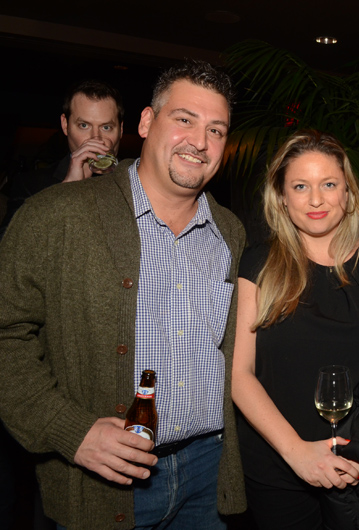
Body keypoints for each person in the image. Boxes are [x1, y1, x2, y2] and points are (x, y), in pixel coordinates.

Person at [0, 59, 247, 529]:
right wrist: (69, 430)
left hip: (209, 474)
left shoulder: (230, 233)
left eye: (216, 130)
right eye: (185, 119)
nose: (200, 141)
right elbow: (6, 334)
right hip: (107, 484)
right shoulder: (56, 215)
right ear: (147, 122)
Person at [231, 129, 359, 530]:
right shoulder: (258, 264)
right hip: (277, 470)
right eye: (300, 186)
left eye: (329, 184)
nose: (316, 199)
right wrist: (297, 453)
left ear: (347, 193)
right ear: (282, 196)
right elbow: (239, 375)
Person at [1, 80, 124, 234]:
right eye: (84, 125)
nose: (96, 138)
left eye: (106, 127)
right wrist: (65, 192)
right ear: (65, 125)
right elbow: (10, 244)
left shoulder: (136, 183)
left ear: (120, 130)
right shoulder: (31, 186)